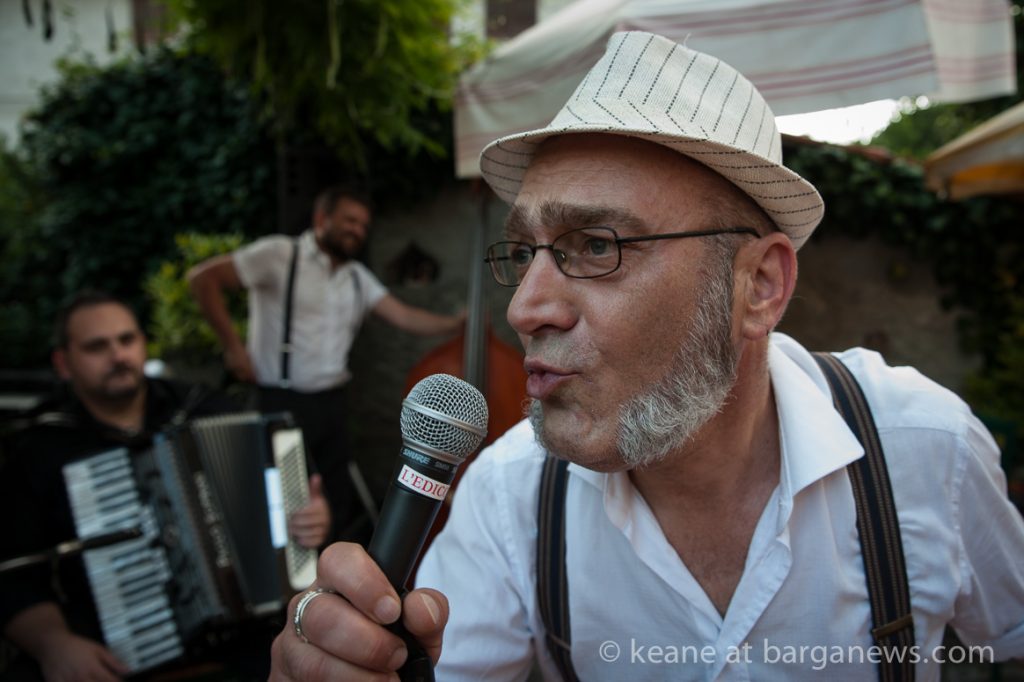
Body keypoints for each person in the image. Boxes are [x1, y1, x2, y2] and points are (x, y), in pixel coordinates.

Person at [267, 31, 1024, 681]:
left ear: (759, 286)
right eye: (524, 252)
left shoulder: (926, 452)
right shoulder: (508, 499)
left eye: (597, 245)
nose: (524, 308)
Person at [0, 291, 330, 681]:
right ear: (63, 363)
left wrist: (309, 516)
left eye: (127, 340)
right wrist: (52, 644)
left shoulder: (200, 406)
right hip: (108, 655)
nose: (118, 356)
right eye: (96, 347)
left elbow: (284, 483)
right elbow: (13, 572)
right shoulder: (40, 447)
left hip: (241, 643)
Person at [188, 184, 464, 541]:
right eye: (349, 220)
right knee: (284, 510)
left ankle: (330, 570)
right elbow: (203, 279)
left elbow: (404, 316)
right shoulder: (279, 254)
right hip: (281, 402)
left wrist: (457, 325)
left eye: (363, 225)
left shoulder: (356, 277)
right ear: (322, 218)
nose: (357, 230)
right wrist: (233, 348)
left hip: (332, 404)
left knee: (334, 503)